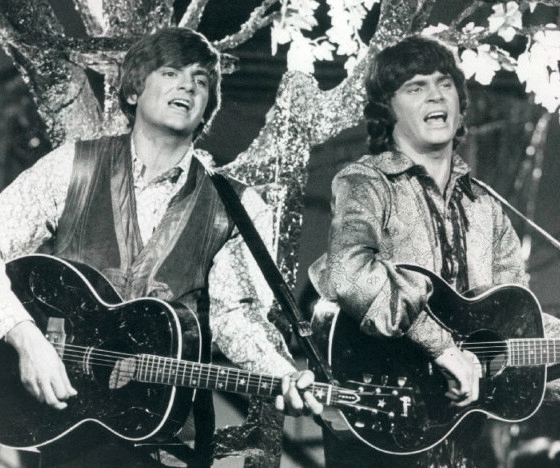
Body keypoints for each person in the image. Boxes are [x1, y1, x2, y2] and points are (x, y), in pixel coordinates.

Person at [0, 27, 321, 468]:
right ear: (133, 91)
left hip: (166, 434)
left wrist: (284, 377)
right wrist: (25, 337)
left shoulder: (238, 206)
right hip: (65, 422)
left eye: (201, 80)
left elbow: (236, 318)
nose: (188, 85)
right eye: (171, 72)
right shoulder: (72, 166)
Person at [308, 35, 560, 468]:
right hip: (381, 427)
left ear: (461, 103)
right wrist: (443, 349)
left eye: (444, 83)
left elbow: (516, 322)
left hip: (459, 439)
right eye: (415, 86)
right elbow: (349, 274)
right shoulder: (367, 182)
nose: (435, 94)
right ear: (387, 109)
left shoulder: (486, 206)